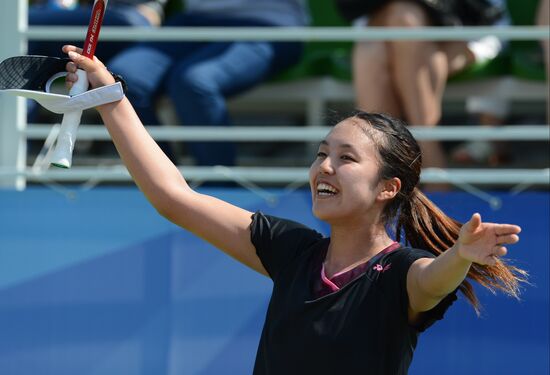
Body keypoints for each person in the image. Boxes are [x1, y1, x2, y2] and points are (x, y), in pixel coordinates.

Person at [62, 44, 527, 374]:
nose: (323, 167)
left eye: (346, 158)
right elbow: (174, 198)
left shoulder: (402, 272)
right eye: (322, 153)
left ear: (388, 188)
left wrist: (461, 256)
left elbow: (432, 279)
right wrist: (109, 98)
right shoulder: (292, 251)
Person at [106, 0, 308, 166]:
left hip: (269, 24)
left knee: (194, 82)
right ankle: (158, 182)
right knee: (122, 80)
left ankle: (218, 193)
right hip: (195, 22)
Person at [335, 0, 507, 175]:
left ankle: (386, 171)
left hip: (467, 26)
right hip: (388, 30)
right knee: (388, 35)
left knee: (397, 26)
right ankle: (426, 158)